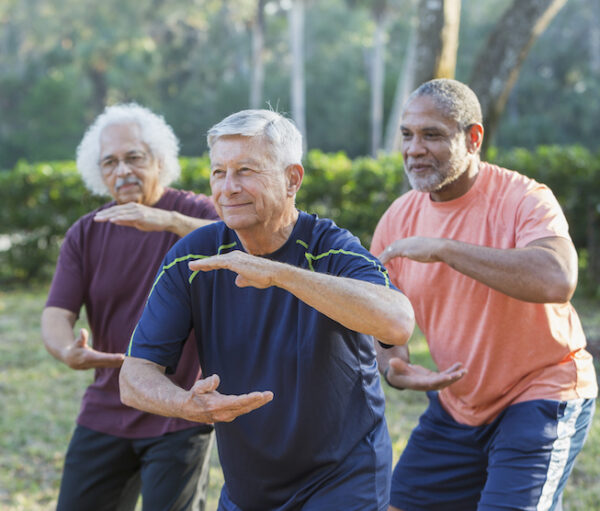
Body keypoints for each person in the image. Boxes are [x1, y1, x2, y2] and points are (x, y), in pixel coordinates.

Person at [118, 109, 415, 511]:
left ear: (293, 179)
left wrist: (278, 273)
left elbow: (397, 323)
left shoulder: (329, 246)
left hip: (344, 478)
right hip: (248, 488)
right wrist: (186, 404)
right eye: (218, 172)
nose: (228, 188)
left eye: (245, 170)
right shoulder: (192, 257)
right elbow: (133, 378)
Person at [371, 78, 598, 511]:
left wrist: (445, 249)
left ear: (473, 138)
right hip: (459, 405)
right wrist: (394, 364)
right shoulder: (398, 219)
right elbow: (381, 313)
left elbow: (557, 278)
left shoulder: (524, 198)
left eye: (432, 135)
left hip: (542, 391)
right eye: (407, 135)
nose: (414, 149)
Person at [42, 103, 220, 511]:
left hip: (180, 406)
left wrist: (169, 221)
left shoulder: (193, 213)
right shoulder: (86, 232)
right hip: (108, 406)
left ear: (160, 160)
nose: (122, 171)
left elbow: (237, 240)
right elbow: (57, 313)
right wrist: (65, 349)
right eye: (110, 162)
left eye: (134, 158)